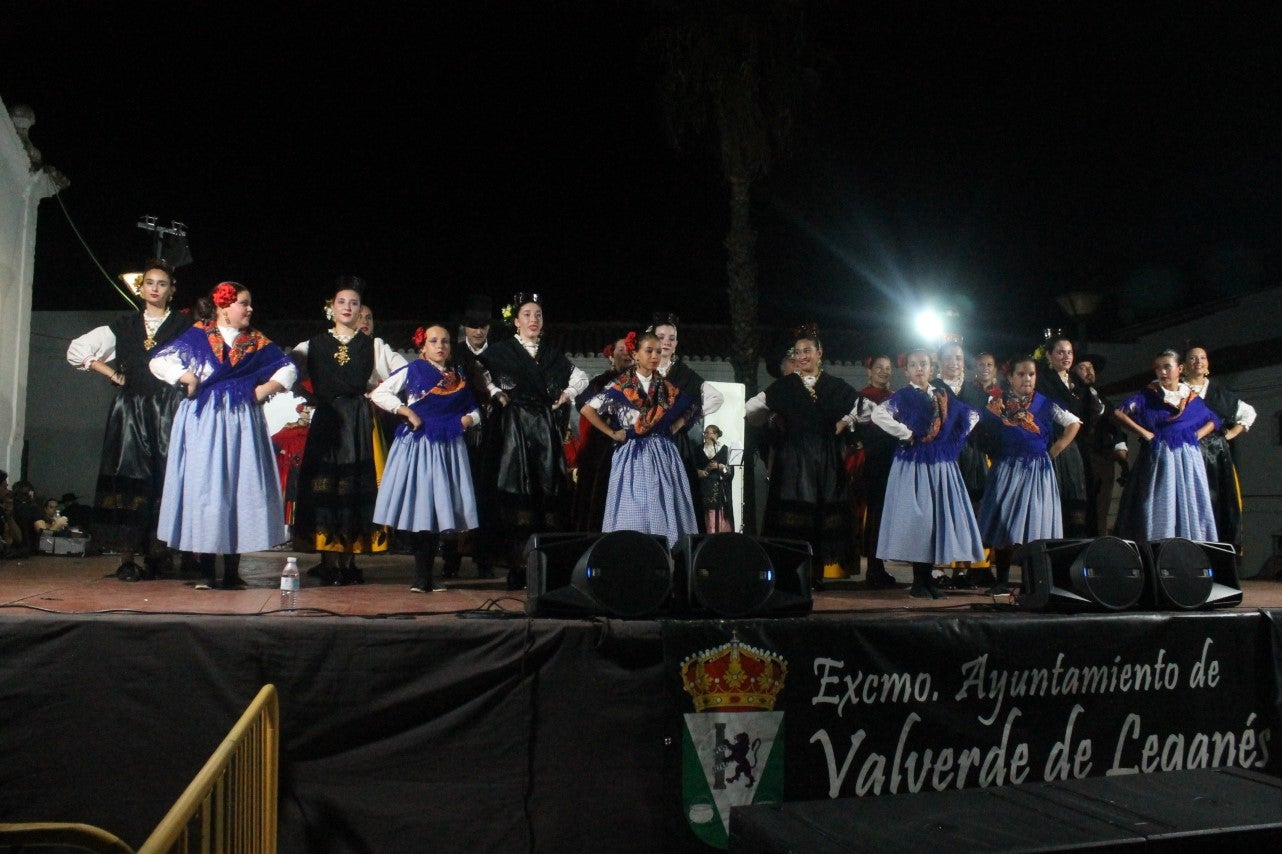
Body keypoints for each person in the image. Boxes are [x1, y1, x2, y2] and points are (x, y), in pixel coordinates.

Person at [150, 282, 297, 590]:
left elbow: (288, 369)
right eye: (244, 303)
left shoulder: (255, 341)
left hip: (241, 419)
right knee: (206, 491)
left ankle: (231, 571)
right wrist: (184, 375)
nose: (249, 309)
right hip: (204, 419)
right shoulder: (198, 335)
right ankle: (205, 571)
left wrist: (265, 389)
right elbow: (159, 360)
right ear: (224, 306)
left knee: (238, 488)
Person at [66, 259, 192, 580]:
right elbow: (78, 349)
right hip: (131, 411)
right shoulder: (122, 326)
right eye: (149, 282)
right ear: (141, 288)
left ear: (171, 290)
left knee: (165, 477)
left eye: (162, 284)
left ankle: (159, 552)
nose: (154, 288)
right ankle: (127, 557)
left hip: (168, 411)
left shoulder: (183, 327)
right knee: (128, 475)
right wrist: (112, 373)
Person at [291, 276, 406, 585]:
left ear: (360, 311)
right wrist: (307, 399)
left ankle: (349, 561)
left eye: (353, 303)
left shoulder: (373, 345)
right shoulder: (312, 344)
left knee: (353, 488)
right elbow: (286, 370)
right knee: (326, 486)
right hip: (327, 418)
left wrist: (380, 395)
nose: (347, 307)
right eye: (341, 302)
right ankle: (328, 561)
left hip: (356, 421)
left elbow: (405, 370)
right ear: (331, 307)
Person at [478, 293, 588, 585]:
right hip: (513, 429)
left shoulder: (551, 355)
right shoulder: (501, 351)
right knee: (515, 491)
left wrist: (566, 395)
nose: (533, 320)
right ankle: (516, 566)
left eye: (538, 315)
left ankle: (542, 566)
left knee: (546, 491)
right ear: (516, 321)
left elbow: (581, 377)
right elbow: (478, 373)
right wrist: (495, 393)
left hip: (543, 429)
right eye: (527, 314)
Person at [371, 324, 480, 592]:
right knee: (423, 509)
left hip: (448, 447)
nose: (440, 346)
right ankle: (421, 577)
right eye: (433, 341)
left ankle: (430, 576)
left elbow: (475, 409)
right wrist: (406, 411)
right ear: (423, 346)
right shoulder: (413, 370)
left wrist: (468, 419)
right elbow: (379, 393)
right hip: (420, 446)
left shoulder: (458, 376)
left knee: (439, 512)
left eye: (444, 341)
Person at [872, 348, 985, 599]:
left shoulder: (942, 395)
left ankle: (928, 581)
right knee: (918, 523)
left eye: (924, 364)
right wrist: (906, 433)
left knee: (935, 522)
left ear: (931, 368)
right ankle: (918, 582)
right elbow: (878, 414)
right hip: (913, 465)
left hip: (940, 464)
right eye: (914, 365)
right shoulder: (903, 396)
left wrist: (953, 442)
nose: (920, 369)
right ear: (907, 370)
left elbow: (972, 415)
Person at [760, 325, 860, 580]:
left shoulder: (834, 386)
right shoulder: (785, 387)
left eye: (807, 351)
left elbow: (864, 407)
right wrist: (772, 419)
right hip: (794, 462)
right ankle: (794, 575)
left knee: (821, 516)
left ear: (819, 353)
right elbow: (752, 409)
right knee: (794, 519)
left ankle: (816, 575)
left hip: (825, 461)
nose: (802, 356)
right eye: (798, 352)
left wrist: (846, 420)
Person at [580, 330, 698, 547]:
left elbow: (690, 407)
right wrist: (612, 432)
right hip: (632, 455)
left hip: (663, 454)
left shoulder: (666, 387)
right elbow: (588, 409)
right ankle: (632, 555)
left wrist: (675, 426)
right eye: (649, 351)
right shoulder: (621, 385)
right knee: (633, 510)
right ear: (635, 354)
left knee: (664, 507)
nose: (655, 356)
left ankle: (666, 559)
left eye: (658, 351)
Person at [977, 356, 1081, 595]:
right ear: (1011, 377)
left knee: (1034, 525)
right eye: (1021, 374)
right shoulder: (998, 402)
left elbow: (1073, 423)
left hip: (1036, 470)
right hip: (1007, 467)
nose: (1027, 379)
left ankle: (1029, 582)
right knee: (1004, 522)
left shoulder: (1044, 403)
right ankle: (1002, 580)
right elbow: (984, 430)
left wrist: (1056, 448)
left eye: (1031, 374)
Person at [1113, 349, 1220, 542]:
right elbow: (1120, 413)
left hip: (1187, 457)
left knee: (1191, 501)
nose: (1162, 372)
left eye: (1167, 367)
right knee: (1159, 501)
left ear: (1179, 369)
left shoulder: (1191, 398)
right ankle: (1158, 547)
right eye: (1158, 368)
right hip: (1160, 455)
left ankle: (1191, 546)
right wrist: (1144, 433)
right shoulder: (1147, 395)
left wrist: (1196, 436)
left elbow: (1213, 419)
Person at [651, 313, 723, 532]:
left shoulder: (685, 374)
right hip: (646, 442)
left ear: (676, 344)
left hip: (674, 444)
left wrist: (687, 417)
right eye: (661, 336)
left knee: (677, 497)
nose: (666, 342)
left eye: (671, 338)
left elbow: (716, 397)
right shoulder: (644, 369)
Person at [441, 294, 496, 579]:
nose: (478, 331)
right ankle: (450, 558)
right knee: (454, 495)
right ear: (464, 327)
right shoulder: (454, 354)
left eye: (483, 326)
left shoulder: (499, 353)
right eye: (472, 326)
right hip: (459, 432)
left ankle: (484, 558)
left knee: (485, 496)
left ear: (488, 327)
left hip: (491, 435)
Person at [1182, 344, 1256, 553]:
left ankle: (1217, 551)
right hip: (1185, 452)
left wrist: (1230, 434)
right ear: (1184, 365)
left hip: (1215, 456)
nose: (1198, 362)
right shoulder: (1178, 390)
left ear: (1207, 364)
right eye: (1193, 358)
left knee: (1218, 501)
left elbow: (1248, 413)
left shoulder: (1218, 393)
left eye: (1202, 358)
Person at [932, 339, 991, 588]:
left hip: (973, 456)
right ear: (939, 361)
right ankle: (941, 570)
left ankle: (971, 568)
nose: (953, 363)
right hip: (942, 456)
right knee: (942, 511)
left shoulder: (978, 392)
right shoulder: (931, 388)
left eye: (957, 358)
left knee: (974, 511)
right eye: (948, 358)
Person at [570, 333, 636, 532]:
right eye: (621, 350)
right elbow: (583, 406)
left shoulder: (641, 382)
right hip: (602, 450)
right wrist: (609, 430)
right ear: (611, 355)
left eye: (630, 350)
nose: (626, 354)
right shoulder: (601, 383)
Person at [849, 355, 901, 588]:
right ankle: (873, 567)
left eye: (888, 368)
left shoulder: (896, 398)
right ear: (870, 372)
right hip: (873, 462)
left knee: (886, 515)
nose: (884, 371)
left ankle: (878, 566)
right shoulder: (863, 397)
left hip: (893, 461)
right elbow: (855, 430)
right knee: (876, 515)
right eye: (879, 367)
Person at [1034, 334, 1092, 536]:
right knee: (1057, 494)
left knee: (1077, 497)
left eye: (1069, 352)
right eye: (1060, 352)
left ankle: (1078, 541)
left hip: (1077, 443)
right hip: (1054, 441)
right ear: (1049, 356)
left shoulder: (1077, 381)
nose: (1066, 356)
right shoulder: (1042, 382)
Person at [1073, 354, 1129, 537]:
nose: (1089, 371)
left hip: (1105, 457)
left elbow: (1115, 424)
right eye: (1083, 367)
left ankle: (1102, 543)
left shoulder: (1102, 398)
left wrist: (1120, 449)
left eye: (1091, 368)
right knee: (1085, 507)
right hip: (1084, 456)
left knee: (1102, 506)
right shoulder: (1076, 397)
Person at [697, 425, 735, 533]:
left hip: (720, 490)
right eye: (705, 433)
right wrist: (699, 472)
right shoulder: (698, 450)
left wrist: (720, 466)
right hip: (703, 489)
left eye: (710, 433)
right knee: (707, 520)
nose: (707, 435)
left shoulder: (724, 450)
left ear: (716, 435)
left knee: (720, 520)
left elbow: (730, 472)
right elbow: (691, 468)